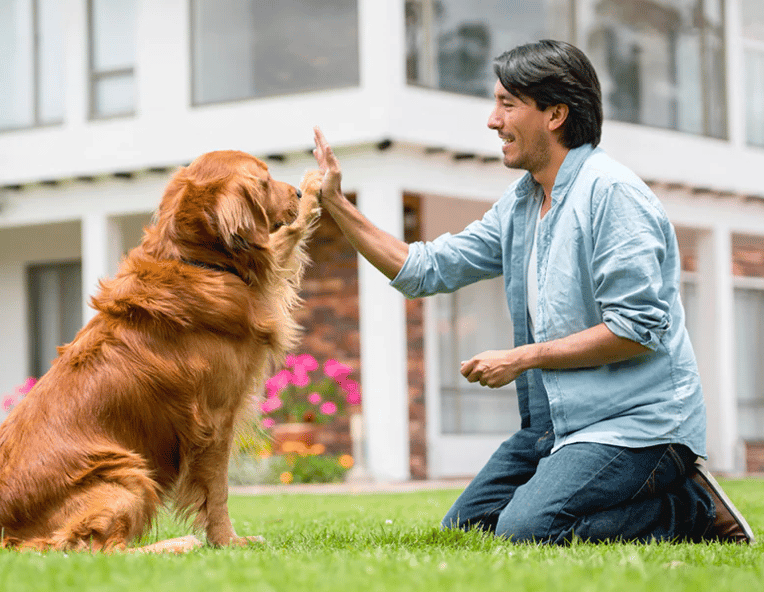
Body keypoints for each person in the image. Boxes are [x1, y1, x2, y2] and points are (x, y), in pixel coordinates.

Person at [311, 39, 754, 544]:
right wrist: (338, 206)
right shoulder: (521, 205)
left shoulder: (612, 196)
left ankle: (690, 508)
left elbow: (637, 331)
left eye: (507, 104)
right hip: (555, 427)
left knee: (528, 530)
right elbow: (425, 269)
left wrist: (523, 358)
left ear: (555, 114)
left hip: (638, 426)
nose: (492, 120)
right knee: (467, 530)